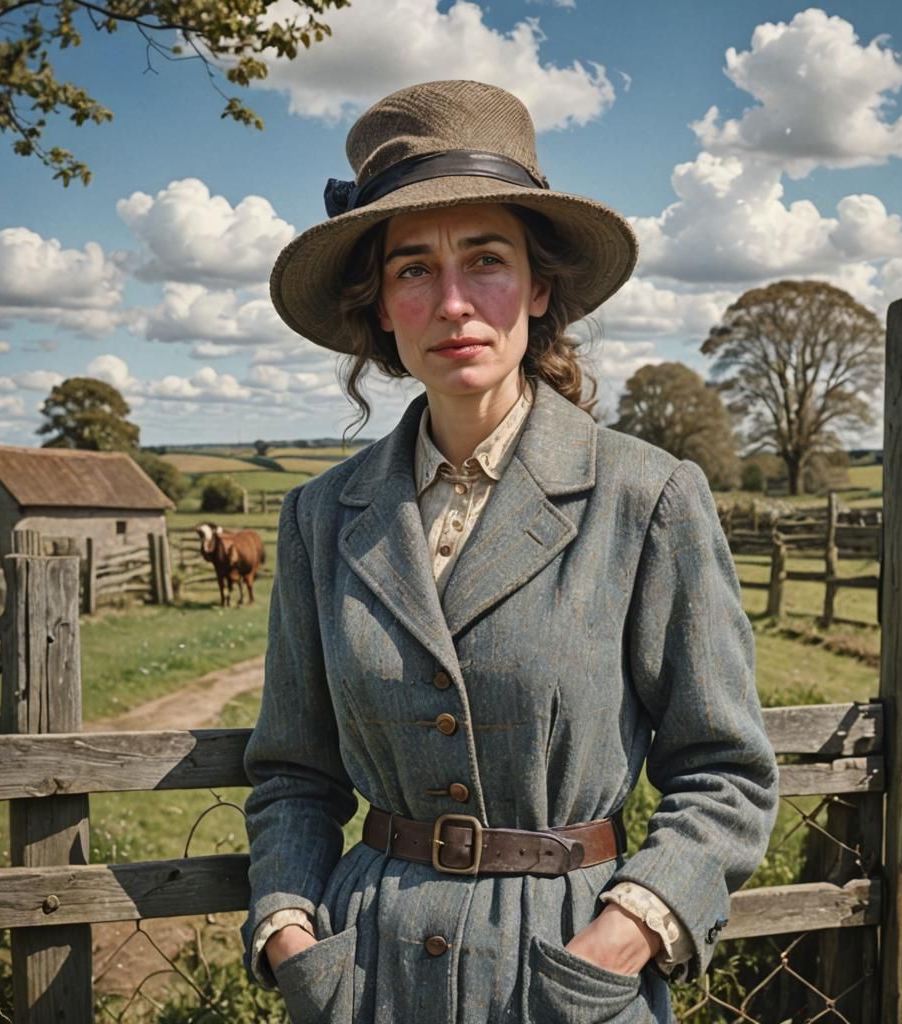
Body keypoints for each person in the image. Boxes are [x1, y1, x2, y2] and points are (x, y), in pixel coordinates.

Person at [242, 79, 778, 1023]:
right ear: (379, 308)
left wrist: (625, 935)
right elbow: (294, 771)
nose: (452, 302)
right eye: (413, 269)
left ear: (537, 287)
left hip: (570, 970)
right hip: (367, 975)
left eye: (485, 260)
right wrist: (292, 930)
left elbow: (727, 774)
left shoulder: (646, 497)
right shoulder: (323, 517)